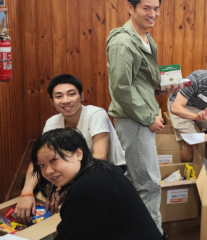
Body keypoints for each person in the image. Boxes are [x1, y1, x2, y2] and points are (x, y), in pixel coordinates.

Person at [107, 0, 177, 238]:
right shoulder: (123, 43)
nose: (153, 14)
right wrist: (149, 117)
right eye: (146, 8)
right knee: (148, 184)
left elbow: (142, 81)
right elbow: (122, 89)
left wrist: (164, 86)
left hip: (144, 117)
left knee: (144, 180)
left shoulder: (146, 38)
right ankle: (152, 234)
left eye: (156, 8)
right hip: (135, 119)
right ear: (130, 7)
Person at [15, 74, 125, 224]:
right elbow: (38, 161)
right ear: (52, 101)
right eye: (59, 96)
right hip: (71, 170)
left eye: (71, 94)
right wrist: (25, 193)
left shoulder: (96, 114)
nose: (65, 100)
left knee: (79, 191)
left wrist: (66, 188)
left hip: (107, 169)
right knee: (28, 182)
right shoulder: (52, 122)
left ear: (81, 96)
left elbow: (100, 158)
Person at [31, 128, 164, 239]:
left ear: (78, 154)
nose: (47, 171)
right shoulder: (100, 169)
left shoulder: (89, 184)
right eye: (41, 165)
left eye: (54, 160)